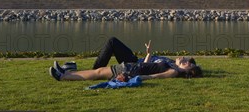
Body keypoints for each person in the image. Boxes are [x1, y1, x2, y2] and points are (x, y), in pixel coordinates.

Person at [49, 37, 202, 81]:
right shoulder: (168, 61)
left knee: (101, 70)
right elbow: (149, 65)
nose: (185, 60)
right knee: (112, 43)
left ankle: (69, 73)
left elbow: (153, 74)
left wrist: (131, 77)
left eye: (188, 63)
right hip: (137, 63)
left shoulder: (172, 69)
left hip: (135, 66)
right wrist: (148, 53)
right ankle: (69, 72)